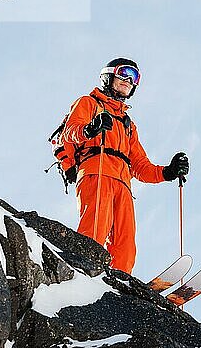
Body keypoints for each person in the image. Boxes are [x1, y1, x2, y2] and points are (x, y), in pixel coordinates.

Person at [62, 57, 189, 274]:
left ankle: (119, 282)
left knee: (125, 242)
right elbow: (70, 131)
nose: (128, 80)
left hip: (123, 183)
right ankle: (82, 273)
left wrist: (167, 172)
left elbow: (140, 165)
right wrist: (90, 129)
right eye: (124, 73)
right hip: (96, 171)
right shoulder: (89, 103)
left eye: (134, 77)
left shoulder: (128, 124)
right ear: (108, 76)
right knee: (95, 228)